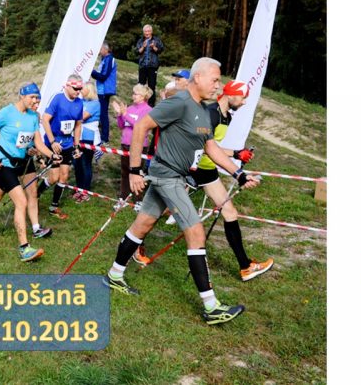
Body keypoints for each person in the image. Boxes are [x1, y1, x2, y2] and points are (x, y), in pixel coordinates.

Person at [103, 57, 260, 326]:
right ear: (198, 77)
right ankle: (212, 306)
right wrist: (134, 170)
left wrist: (239, 173)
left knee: (143, 225)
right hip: (167, 176)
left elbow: (210, 147)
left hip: (174, 176)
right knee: (196, 232)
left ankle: (114, 275)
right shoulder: (179, 102)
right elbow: (141, 126)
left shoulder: (204, 110)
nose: (218, 85)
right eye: (214, 79)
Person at [189, 79, 273, 281]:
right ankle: (137, 246)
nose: (244, 102)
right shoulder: (211, 113)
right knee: (162, 209)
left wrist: (237, 153)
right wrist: (236, 165)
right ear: (231, 94)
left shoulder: (226, 116)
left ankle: (245, 266)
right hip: (191, 168)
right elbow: (204, 146)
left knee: (230, 212)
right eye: (242, 97)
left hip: (207, 170)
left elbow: (213, 146)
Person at [0, 82, 56, 261]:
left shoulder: (34, 116)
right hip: (4, 163)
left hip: (23, 161)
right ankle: (24, 248)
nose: (36, 101)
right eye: (32, 98)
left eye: (38, 98)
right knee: (21, 201)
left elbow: (38, 143)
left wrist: (51, 155)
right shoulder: (7, 112)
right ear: (22, 96)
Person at [37, 74, 84, 220]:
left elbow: (78, 125)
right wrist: (52, 141)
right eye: (75, 88)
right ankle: (35, 195)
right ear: (68, 85)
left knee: (64, 176)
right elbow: (45, 120)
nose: (78, 91)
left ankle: (53, 207)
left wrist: (76, 146)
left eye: (80, 89)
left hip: (68, 143)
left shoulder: (79, 102)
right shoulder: (57, 98)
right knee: (53, 178)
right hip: (54, 143)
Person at [111, 84, 153, 200]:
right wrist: (120, 115)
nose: (133, 96)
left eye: (136, 94)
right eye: (133, 93)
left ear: (143, 96)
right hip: (125, 144)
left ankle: (138, 199)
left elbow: (139, 125)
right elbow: (121, 126)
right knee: (125, 172)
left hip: (139, 146)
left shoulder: (148, 110)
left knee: (137, 173)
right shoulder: (129, 108)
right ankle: (123, 197)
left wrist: (125, 114)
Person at [72, 82, 100, 203]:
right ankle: (79, 189)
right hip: (77, 136)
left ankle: (85, 191)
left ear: (89, 90)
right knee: (77, 163)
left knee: (85, 164)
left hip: (88, 137)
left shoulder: (95, 103)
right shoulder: (80, 102)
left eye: (82, 89)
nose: (80, 91)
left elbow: (81, 117)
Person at [91, 42, 117, 144]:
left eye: (100, 49)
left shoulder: (110, 59)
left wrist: (92, 72)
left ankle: (105, 138)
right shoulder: (104, 59)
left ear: (106, 49)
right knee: (101, 112)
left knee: (103, 113)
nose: (99, 51)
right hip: (101, 90)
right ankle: (101, 135)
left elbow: (103, 76)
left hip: (105, 90)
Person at [135, 24, 164, 106]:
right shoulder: (140, 41)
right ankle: (140, 103)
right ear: (143, 32)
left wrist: (154, 47)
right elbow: (137, 52)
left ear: (151, 31)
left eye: (148, 31)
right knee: (141, 85)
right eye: (145, 31)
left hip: (153, 66)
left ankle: (151, 105)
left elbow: (161, 50)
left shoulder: (156, 40)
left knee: (152, 86)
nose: (147, 33)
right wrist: (143, 47)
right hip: (142, 66)